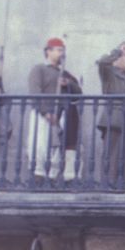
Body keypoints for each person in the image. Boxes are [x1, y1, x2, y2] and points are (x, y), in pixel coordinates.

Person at [27, 38, 82, 182]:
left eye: (62, 50)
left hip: (59, 115)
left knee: (55, 149)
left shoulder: (65, 73)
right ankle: (37, 177)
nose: (61, 54)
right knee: (39, 146)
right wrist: (45, 112)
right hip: (42, 114)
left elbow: (78, 92)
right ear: (48, 51)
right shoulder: (39, 69)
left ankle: (51, 178)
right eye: (58, 50)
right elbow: (35, 92)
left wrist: (67, 83)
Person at [97, 42, 125, 189]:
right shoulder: (109, 73)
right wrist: (117, 51)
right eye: (124, 57)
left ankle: (121, 183)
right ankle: (109, 183)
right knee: (111, 153)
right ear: (116, 60)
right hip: (114, 118)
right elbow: (102, 62)